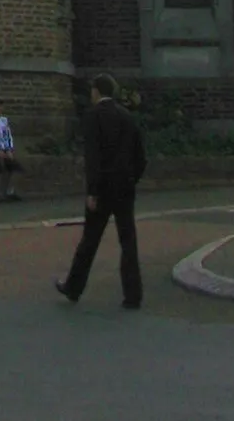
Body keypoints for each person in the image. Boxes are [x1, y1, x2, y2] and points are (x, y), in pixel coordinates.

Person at [54, 75, 145, 308]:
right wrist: (132, 179)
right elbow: (140, 156)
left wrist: (92, 191)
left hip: (103, 188)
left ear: (96, 91)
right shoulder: (127, 116)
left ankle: (74, 287)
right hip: (124, 187)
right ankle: (133, 295)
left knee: (90, 240)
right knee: (128, 241)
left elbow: (93, 157)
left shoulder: (93, 116)